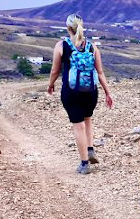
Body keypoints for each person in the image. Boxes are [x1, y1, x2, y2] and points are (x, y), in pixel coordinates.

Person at [48, 14, 113, 174]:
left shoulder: (61, 45)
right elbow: (100, 72)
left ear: (68, 28)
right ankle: (90, 149)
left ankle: (84, 163)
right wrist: (107, 92)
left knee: (78, 126)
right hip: (91, 91)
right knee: (88, 119)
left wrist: (50, 85)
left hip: (71, 91)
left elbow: (55, 70)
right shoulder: (92, 46)